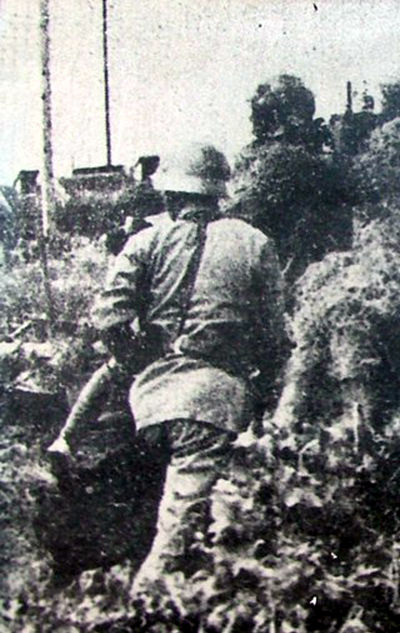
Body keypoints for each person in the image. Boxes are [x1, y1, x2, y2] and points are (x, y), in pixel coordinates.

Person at [90, 143, 289, 598]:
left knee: (129, 501)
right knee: (176, 536)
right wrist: (260, 387)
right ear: (218, 194)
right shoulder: (253, 242)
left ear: (170, 196)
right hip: (211, 406)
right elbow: (274, 339)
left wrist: (141, 361)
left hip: (146, 400)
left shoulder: (144, 242)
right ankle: (141, 608)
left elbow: (109, 320)